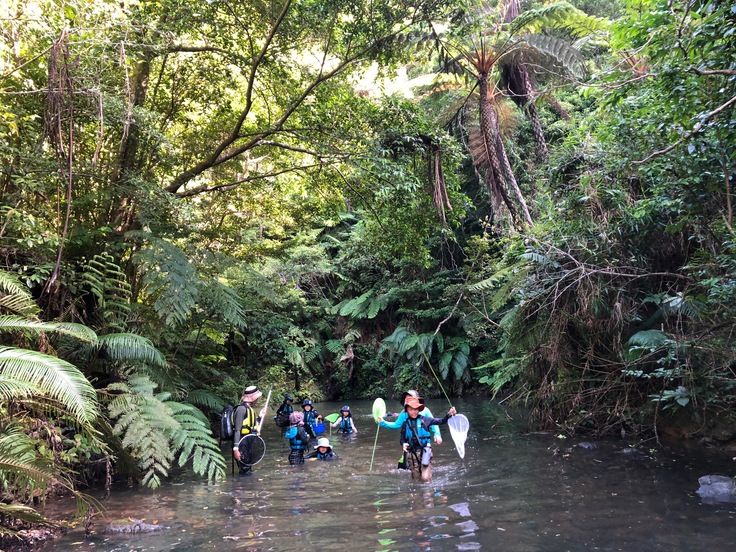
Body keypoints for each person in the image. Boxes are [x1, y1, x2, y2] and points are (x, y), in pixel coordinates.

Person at [397, 396, 455, 483]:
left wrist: (449, 414)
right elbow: (402, 438)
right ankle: (417, 496)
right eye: (411, 409)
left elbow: (440, 421)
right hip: (412, 454)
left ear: (419, 409)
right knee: (416, 480)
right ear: (407, 410)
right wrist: (403, 444)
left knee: (425, 478)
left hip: (425, 451)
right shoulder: (405, 424)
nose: (414, 411)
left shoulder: (425, 420)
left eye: (416, 409)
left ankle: (428, 494)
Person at [379, 390, 441, 469]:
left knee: (424, 466)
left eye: (410, 398)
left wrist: (437, 434)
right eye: (406, 399)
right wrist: (383, 422)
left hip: (423, 445)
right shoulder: (404, 413)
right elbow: (396, 425)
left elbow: (434, 423)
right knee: (406, 467)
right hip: (410, 445)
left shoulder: (425, 410)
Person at [232, 386, 267, 473]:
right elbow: (237, 430)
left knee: (248, 468)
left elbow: (251, 426)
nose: (257, 400)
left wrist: (259, 417)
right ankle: (243, 485)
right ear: (252, 398)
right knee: (245, 470)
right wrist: (235, 449)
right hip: (241, 444)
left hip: (247, 442)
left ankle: (248, 485)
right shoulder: (241, 409)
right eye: (257, 398)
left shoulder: (249, 409)